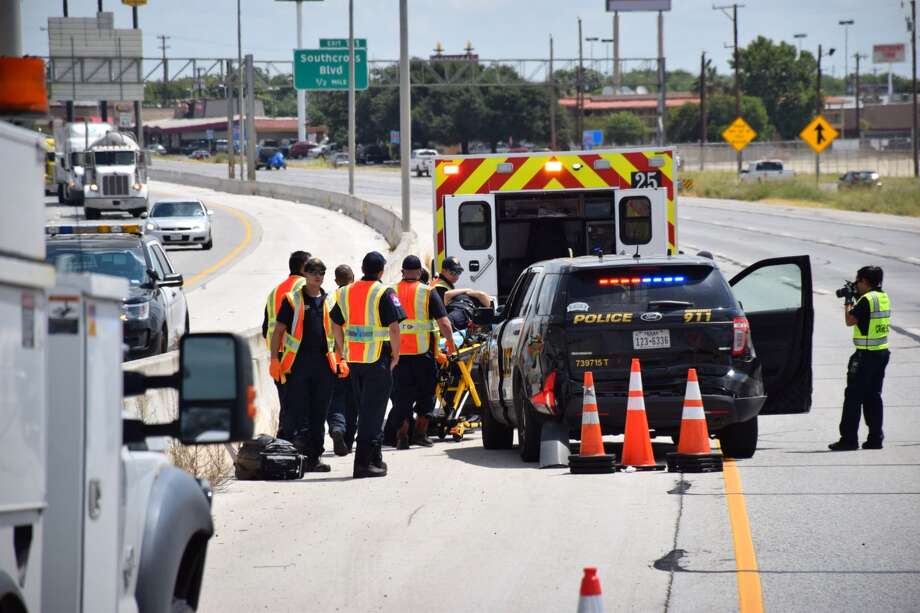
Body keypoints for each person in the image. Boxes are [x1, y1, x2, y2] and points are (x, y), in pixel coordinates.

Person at [330, 251, 405, 478]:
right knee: (373, 413)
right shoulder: (384, 292)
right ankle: (362, 464)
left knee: (366, 409)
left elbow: (335, 322)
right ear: (382, 270)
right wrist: (397, 354)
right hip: (377, 359)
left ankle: (375, 460)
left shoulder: (345, 292)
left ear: (362, 269)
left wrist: (341, 350)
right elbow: (394, 327)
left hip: (354, 360)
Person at [269, 257, 344, 472]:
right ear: (305, 274)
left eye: (321, 272)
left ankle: (314, 457)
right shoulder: (292, 300)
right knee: (299, 412)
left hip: (324, 364)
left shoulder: (330, 301)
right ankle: (299, 458)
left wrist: (343, 357)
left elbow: (338, 332)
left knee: (319, 413)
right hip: (298, 364)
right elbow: (278, 332)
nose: (317, 276)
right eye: (313, 272)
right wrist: (275, 358)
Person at [389, 255, 455, 449]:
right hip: (422, 353)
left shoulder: (391, 291)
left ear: (402, 271)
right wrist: (450, 342)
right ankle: (420, 434)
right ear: (419, 272)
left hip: (398, 354)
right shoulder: (427, 292)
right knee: (426, 394)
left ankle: (402, 436)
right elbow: (443, 322)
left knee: (401, 395)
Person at [829, 266, 891, 451]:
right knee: (873, 396)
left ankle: (848, 440)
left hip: (865, 355)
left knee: (853, 397)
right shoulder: (882, 297)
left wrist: (848, 300)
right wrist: (856, 297)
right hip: (881, 352)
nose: (856, 285)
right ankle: (875, 438)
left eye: (858, 281)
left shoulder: (866, 300)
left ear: (864, 281)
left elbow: (850, 320)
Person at [261, 250, 309, 441]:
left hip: (277, 355)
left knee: (287, 401)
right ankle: (294, 443)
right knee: (302, 403)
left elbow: (266, 327)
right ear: (303, 268)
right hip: (297, 355)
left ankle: (284, 442)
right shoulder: (305, 288)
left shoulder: (275, 291)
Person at [326, 264, 357, 456]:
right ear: (353, 278)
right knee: (352, 401)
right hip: (354, 358)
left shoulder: (328, 300)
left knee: (335, 399)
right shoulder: (358, 297)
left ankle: (337, 427)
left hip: (332, 359)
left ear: (336, 281)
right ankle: (348, 438)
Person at [433, 256, 491, 330]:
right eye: (453, 272)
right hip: (440, 326)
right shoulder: (439, 287)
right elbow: (443, 304)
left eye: (459, 272)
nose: (456, 276)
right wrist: (467, 290)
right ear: (444, 271)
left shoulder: (444, 283)